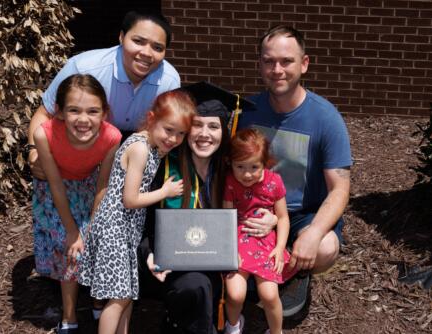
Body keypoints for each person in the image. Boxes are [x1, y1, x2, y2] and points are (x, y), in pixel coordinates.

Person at [138, 82, 278, 334]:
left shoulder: (233, 170)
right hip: (174, 262)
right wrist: (149, 251)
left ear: (224, 131)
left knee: (207, 287)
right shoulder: (164, 166)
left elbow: (265, 197)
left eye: (213, 126)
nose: (205, 134)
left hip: (219, 258)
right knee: (195, 285)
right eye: (197, 125)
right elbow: (142, 219)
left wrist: (272, 219)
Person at [238, 25, 352, 317]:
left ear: (304, 64)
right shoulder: (247, 112)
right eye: (268, 61)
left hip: (303, 214)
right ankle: (266, 265)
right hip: (255, 208)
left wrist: (313, 232)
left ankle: (296, 273)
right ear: (259, 64)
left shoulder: (325, 118)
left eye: (286, 61)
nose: (277, 69)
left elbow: (340, 188)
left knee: (325, 246)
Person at [77, 89, 196, 334]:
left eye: (181, 133)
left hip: (125, 230)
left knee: (127, 294)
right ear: (151, 119)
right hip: (115, 229)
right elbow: (130, 199)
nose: (173, 138)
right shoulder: (140, 149)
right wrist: (165, 191)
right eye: (169, 129)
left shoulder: (150, 146)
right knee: (119, 297)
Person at [28, 10, 180, 179]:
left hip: (136, 153)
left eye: (157, 47)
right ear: (122, 37)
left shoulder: (169, 82)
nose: (147, 53)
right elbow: (45, 113)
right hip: (79, 144)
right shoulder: (83, 68)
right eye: (138, 41)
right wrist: (34, 152)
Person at [32, 74, 122, 334]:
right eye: (74, 110)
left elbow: (103, 184)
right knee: (67, 245)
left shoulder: (112, 137)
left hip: (89, 186)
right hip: (54, 189)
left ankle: (96, 299)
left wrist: (93, 225)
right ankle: (69, 317)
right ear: (59, 112)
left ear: (105, 113)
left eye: (93, 111)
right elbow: (56, 185)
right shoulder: (44, 134)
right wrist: (73, 231)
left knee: (96, 241)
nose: (84, 120)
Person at [223, 128, 296, 334]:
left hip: (266, 243)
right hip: (237, 240)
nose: (247, 174)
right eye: (240, 167)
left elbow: (282, 218)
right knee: (235, 293)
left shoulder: (274, 182)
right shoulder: (230, 181)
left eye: (254, 167)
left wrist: (280, 247)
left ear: (265, 163)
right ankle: (234, 325)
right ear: (231, 163)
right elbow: (226, 218)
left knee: (270, 294)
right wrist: (229, 248)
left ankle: (276, 331)